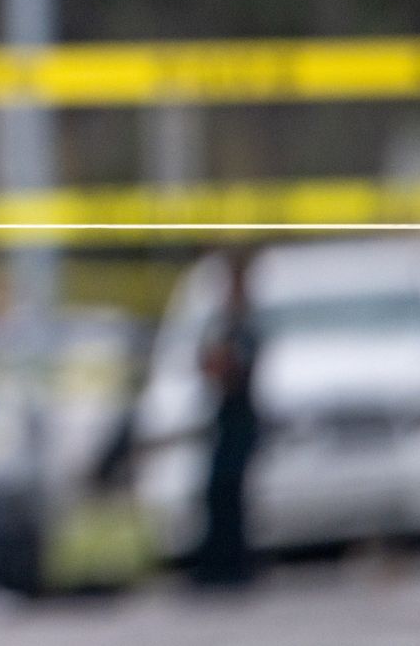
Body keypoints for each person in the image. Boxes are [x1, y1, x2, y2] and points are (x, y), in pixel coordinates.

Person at [189, 247, 260, 588]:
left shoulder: (244, 324)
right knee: (219, 494)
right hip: (227, 418)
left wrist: (220, 363)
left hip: (240, 419)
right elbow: (207, 363)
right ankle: (221, 565)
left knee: (229, 492)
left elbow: (232, 370)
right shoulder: (226, 324)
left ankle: (232, 567)